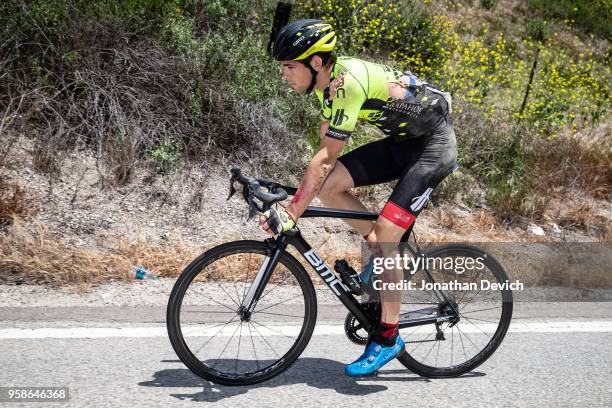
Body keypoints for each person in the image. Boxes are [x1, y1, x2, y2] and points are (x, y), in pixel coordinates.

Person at [260, 19, 458, 376]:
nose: (284, 76)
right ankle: (379, 257)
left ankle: (388, 337)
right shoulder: (325, 86)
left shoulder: (346, 84)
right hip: (403, 143)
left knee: (385, 239)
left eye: (289, 67)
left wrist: (291, 210)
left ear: (315, 63)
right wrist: (294, 199)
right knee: (333, 186)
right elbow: (324, 161)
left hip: (433, 148)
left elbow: (324, 157)